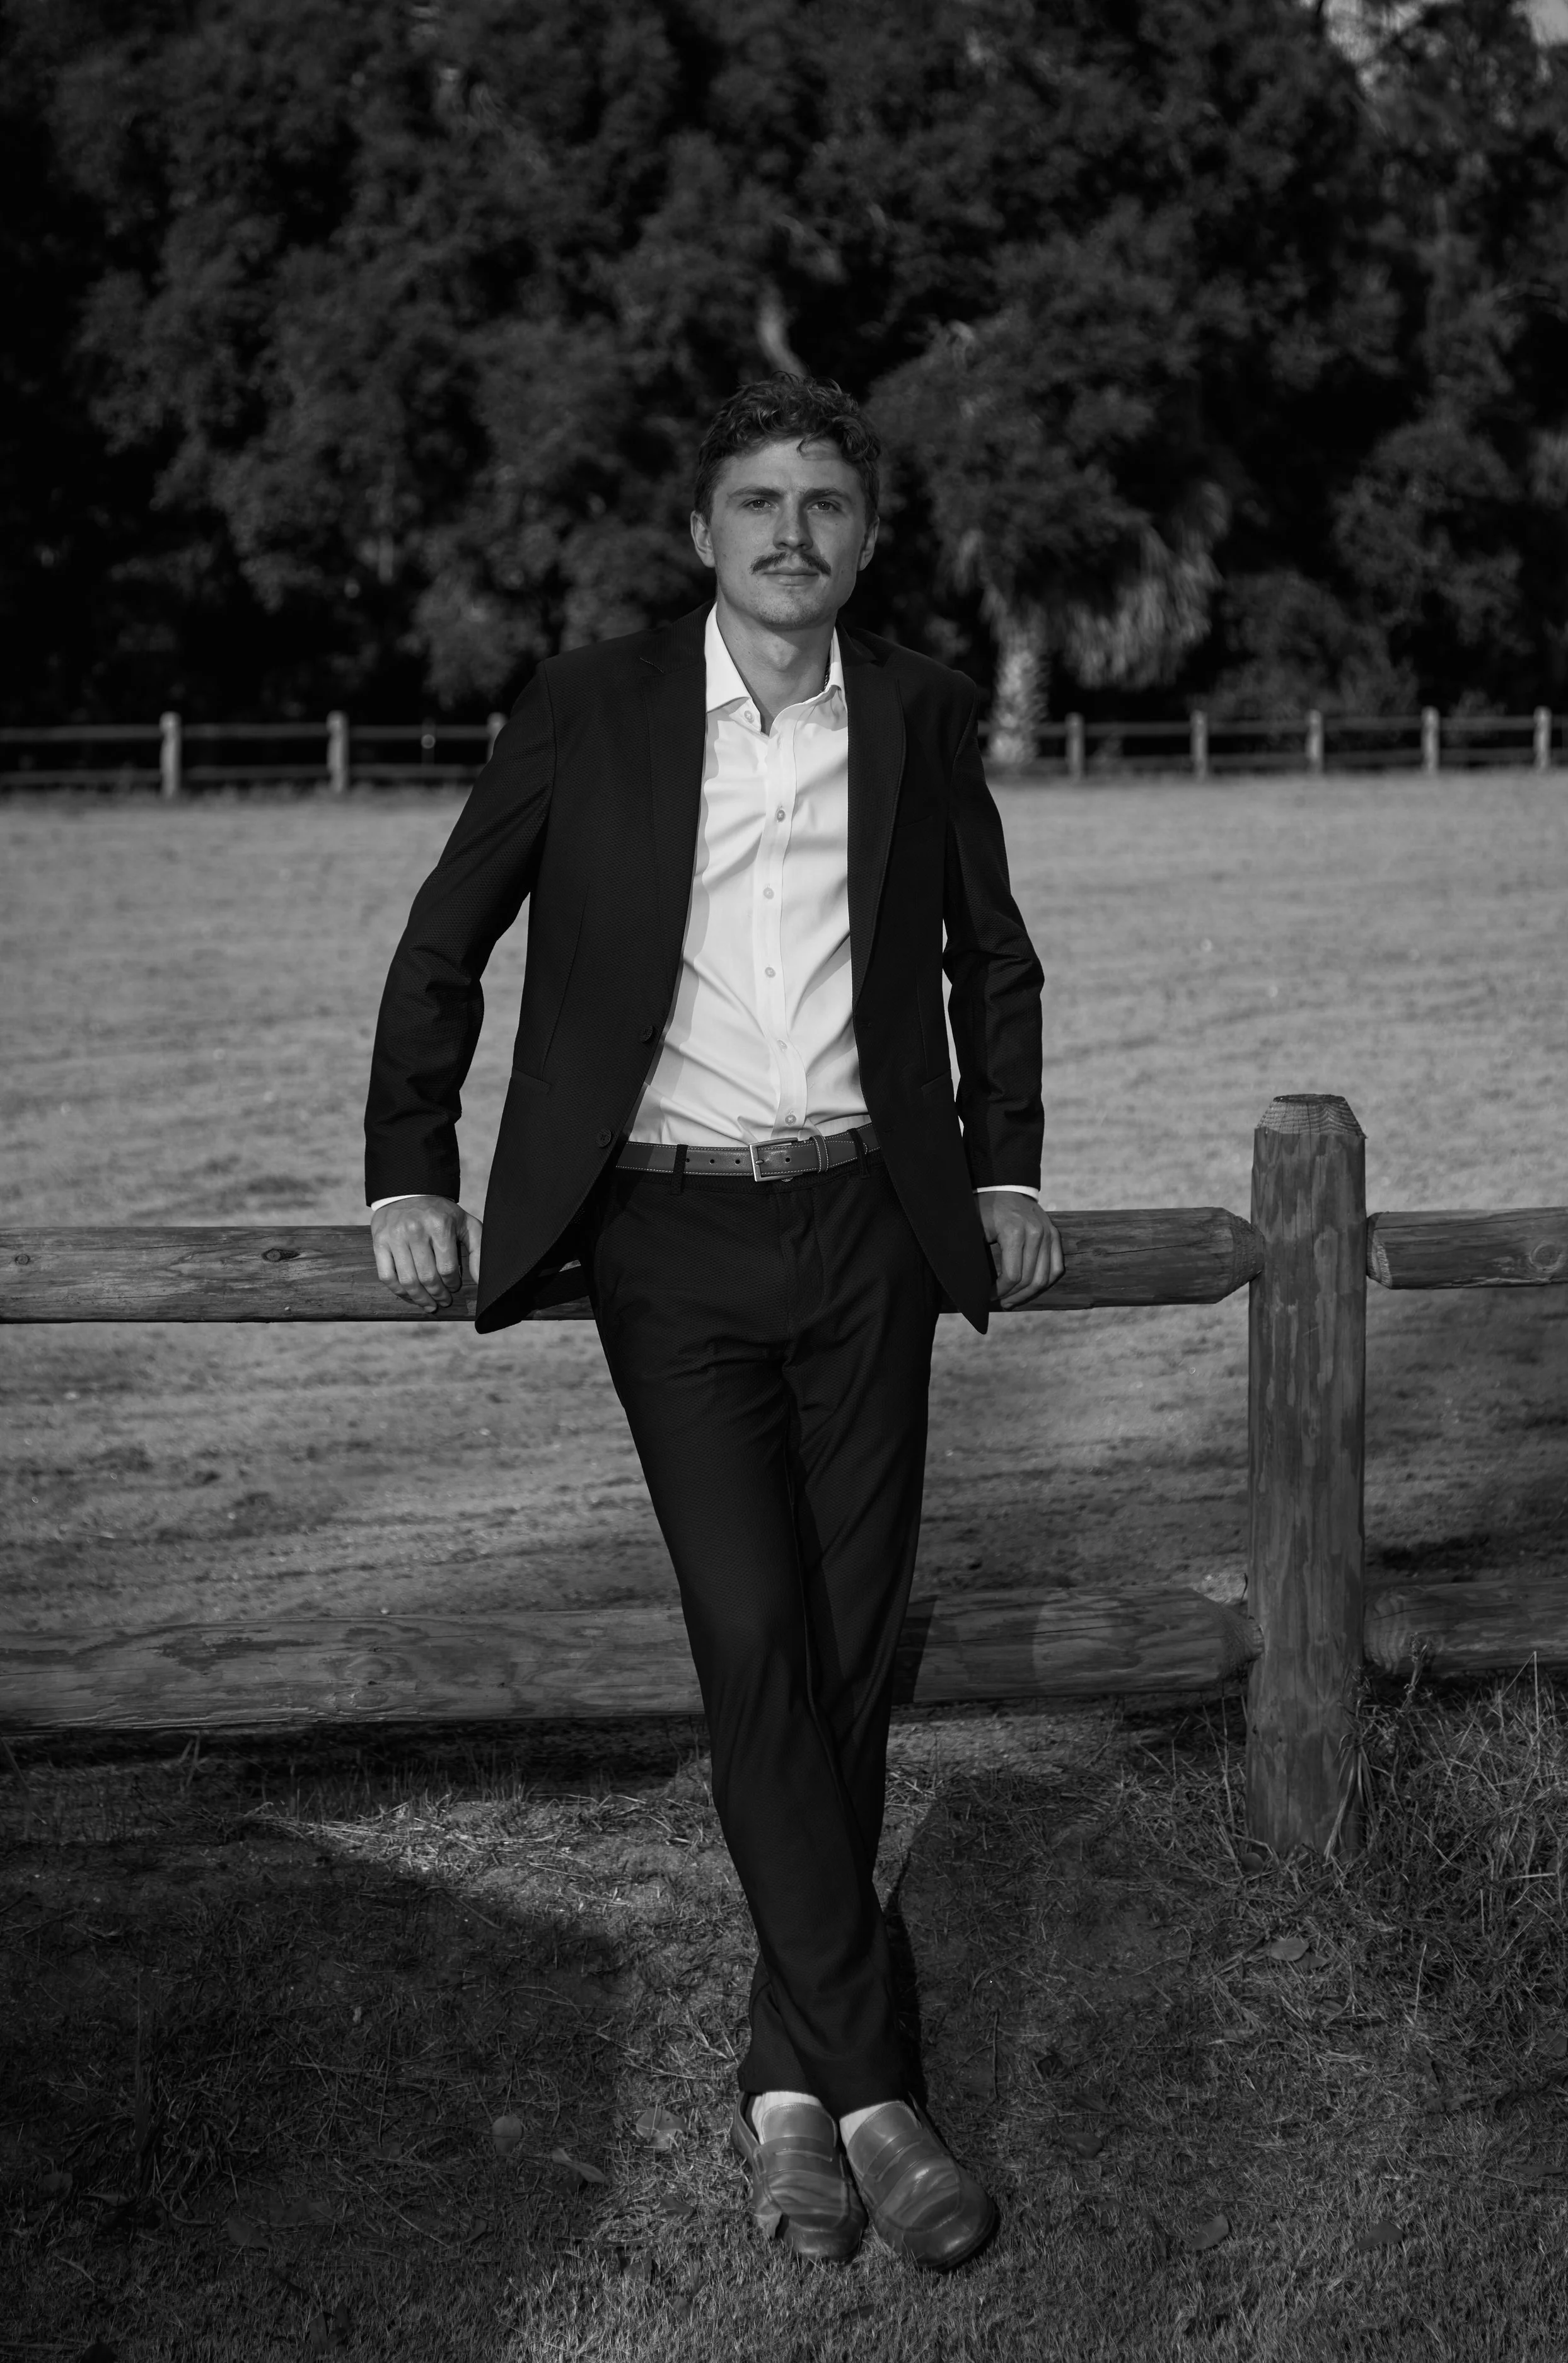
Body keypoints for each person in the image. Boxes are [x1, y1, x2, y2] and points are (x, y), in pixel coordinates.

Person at [364, 373, 1060, 2272]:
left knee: (842, 1652)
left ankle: (785, 2094)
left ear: (860, 533)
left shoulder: (912, 713)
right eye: (756, 500)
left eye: (824, 502)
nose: (790, 532)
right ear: (701, 533)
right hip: (662, 1240)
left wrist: (1004, 1166)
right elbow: (450, 933)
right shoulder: (589, 707)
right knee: (754, 1632)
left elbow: (986, 956)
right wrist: (409, 1163)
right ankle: (881, 2091)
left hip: (866, 1227)